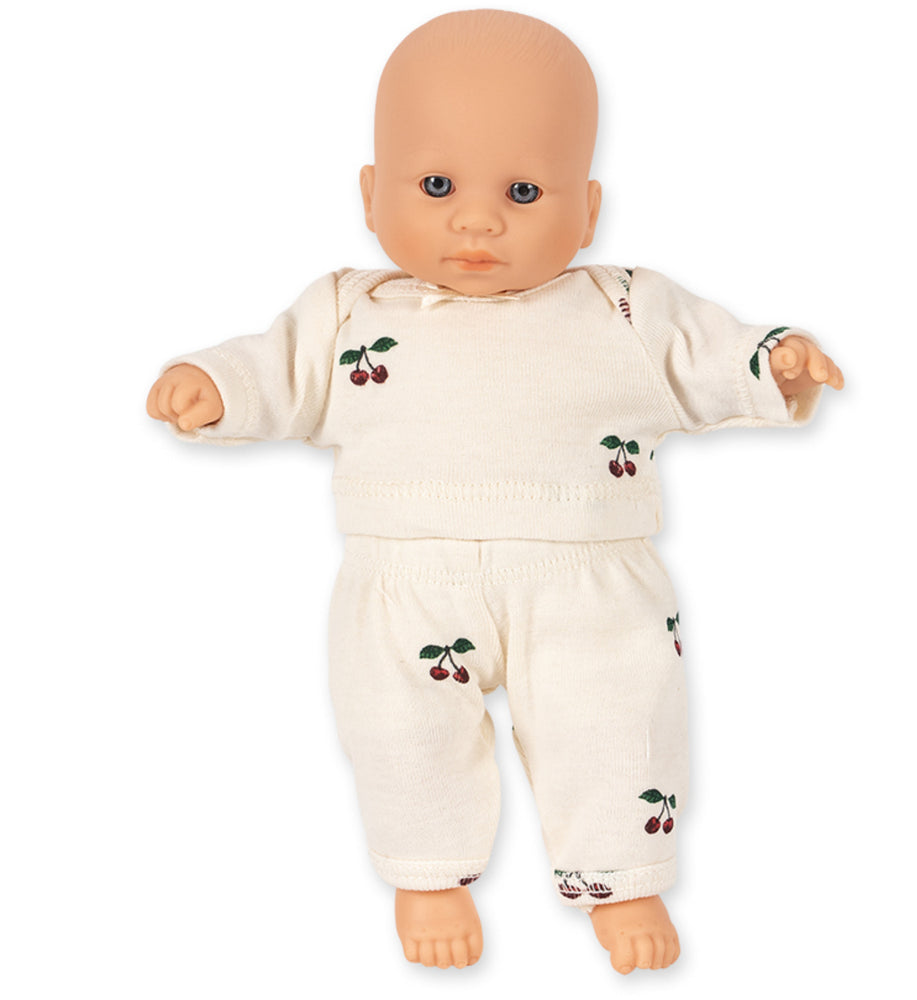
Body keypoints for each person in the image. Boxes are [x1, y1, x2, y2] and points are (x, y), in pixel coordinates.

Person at [147, 9, 843, 974]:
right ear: (370, 194)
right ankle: (427, 872)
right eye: (437, 186)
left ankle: (621, 877)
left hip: (590, 581)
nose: (477, 220)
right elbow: (278, 370)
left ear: (587, 213)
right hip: (404, 582)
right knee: (399, 730)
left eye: (523, 190)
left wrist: (775, 362)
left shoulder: (623, 308)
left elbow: (707, 354)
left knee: (619, 723)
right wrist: (215, 385)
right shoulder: (348, 312)